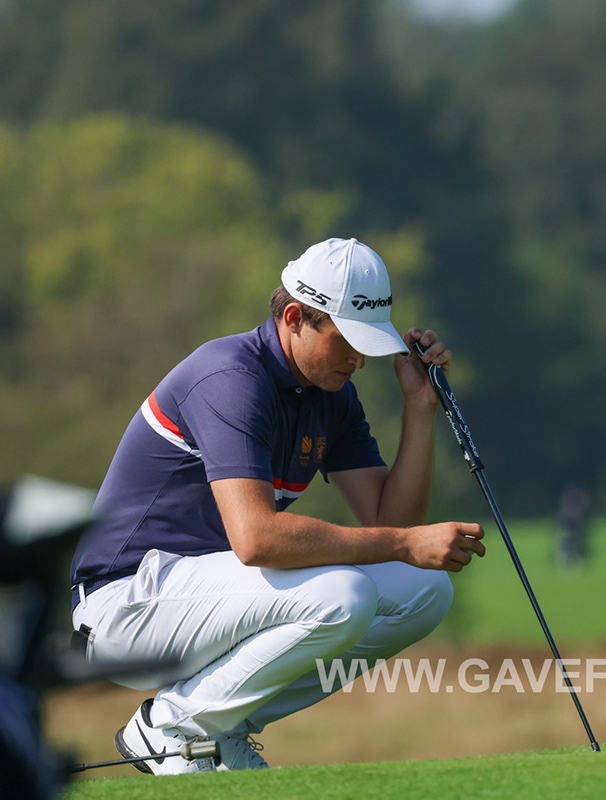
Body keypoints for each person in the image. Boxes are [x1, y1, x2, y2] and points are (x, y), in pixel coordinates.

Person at [69, 237, 485, 775]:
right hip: (123, 606)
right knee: (344, 594)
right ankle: (174, 727)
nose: (359, 359)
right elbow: (257, 539)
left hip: (203, 600)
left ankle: (219, 728)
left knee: (424, 591)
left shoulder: (331, 395)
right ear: (295, 317)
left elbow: (389, 525)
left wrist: (420, 408)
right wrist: (406, 543)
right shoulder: (231, 378)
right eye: (346, 341)